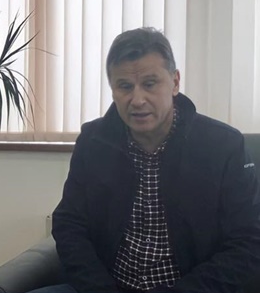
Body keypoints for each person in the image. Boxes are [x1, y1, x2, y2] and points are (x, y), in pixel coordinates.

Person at [32, 27, 260, 293]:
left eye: (150, 84)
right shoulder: (94, 141)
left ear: (175, 82)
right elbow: (69, 223)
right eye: (125, 86)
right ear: (113, 89)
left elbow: (248, 242)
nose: (137, 100)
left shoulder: (222, 146)